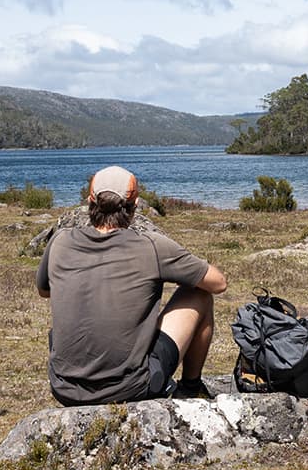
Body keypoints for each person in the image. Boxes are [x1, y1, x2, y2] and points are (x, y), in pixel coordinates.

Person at [36, 165, 228, 405]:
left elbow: (44, 290)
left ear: (90, 202)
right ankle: (190, 388)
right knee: (199, 294)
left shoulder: (60, 241)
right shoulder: (151, 245)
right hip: (132, 389)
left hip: (64, 389)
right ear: (135, 205)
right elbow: (218, 283)